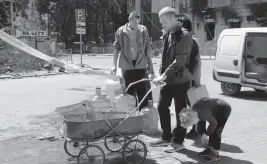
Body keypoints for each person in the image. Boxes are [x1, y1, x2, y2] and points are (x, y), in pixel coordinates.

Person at [151, 7, 193, 153]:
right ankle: (166, 137)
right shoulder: (168, 33)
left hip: (181, 80)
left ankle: (179, 142)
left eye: (163, 22)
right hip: (167, 80)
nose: (162, 25)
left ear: (172, 19)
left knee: (181, 112)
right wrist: (160, 74)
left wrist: (164, 75)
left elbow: (180, 60)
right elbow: (165, 57)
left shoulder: (185, 36)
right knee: (162, 106)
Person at [111, 11, 156, 110]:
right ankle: (131, 114)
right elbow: (116, 48)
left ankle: (143, 114)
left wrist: (150, 66)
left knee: (142, 92)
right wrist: (113, 65)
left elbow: (147, 47)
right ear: (129, 20)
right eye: (135, 23)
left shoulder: (143, 30)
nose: (137, 25)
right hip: (127, 66)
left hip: (140, 65)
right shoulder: (121, 31)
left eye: (138, 22)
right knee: (128, 92)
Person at [179, 97, 232, 162]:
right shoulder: (194, 109)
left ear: (193, 118)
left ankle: (215, 153)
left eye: (192, 123)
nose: (193, 124)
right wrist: (202, 136)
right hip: (214, 108)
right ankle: (209, 149)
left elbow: (213, 124)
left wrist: (206, 134)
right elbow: (200, 125)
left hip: (224, 109)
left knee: (216, 130)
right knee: (201, 128)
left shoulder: (203, 113)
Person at [182, 17, 202, 139]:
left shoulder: (191, 41)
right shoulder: (190, 40)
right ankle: (195, 128)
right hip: (192, 78)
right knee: (192, 104)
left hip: (191, 79)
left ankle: (196, 129)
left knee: (193, 104)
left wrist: (191, 77)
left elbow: (194, 62)